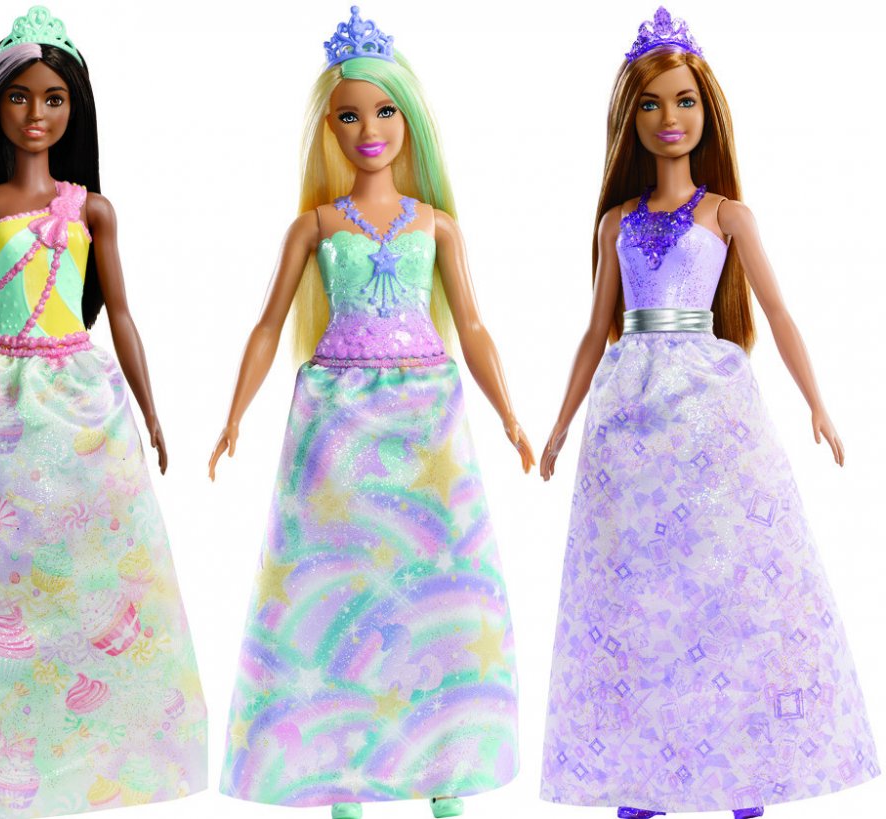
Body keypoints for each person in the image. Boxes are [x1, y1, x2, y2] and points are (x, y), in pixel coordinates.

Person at [538, 8, 879, 818]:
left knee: (727, 584)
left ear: (707, 110)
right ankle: (641, 777)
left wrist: (819, 403)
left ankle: (741, 770)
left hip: (712, 408)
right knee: (636, 592)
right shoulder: (617, 223)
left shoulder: (728, 215)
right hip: (628, 412)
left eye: (685, 100)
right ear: (630, 118)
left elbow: (779, 313)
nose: (670, 118)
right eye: (652, 103)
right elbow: (594, 328)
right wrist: (559, 423)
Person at [211, 7, 533, 818]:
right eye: (350, 115)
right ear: (330, 126)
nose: (369, 130)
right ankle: (343, 772)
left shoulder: (437, 225)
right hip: (338, 416)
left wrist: (510, 415)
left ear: (409, 119)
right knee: (341, 589)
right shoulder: (316, 226)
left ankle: (445, 765)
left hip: (426, 415)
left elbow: (474, 326)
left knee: (439, 589)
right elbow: (267, 325)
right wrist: (234, 415)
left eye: (385, 111)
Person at [0, 7, 206, 815]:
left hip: (84, 401)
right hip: (1, 403)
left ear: (76, 109)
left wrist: (152, 409)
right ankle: (4, 764)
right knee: (0, 583)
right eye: (20, 97)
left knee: (97, 577)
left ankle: (95, 761)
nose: (37, 114)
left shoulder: (92, 210)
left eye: (54, 98)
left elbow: (122, 315)